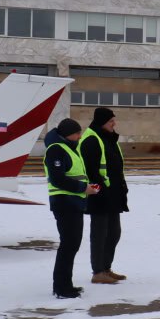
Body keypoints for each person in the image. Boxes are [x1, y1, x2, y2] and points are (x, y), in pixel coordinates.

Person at [44, 118, 100, 299]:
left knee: (72, 244)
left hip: (74, 202)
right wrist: (83, 188)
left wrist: (86, 187)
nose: (80, 136)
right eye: (77, 133)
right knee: (68, 245)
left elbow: (74, 175)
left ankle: (66, 285)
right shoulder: (56, 149)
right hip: (64, 203)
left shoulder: (69, 148)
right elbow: (57, 179)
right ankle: (61, 288)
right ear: (68, 134)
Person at [79, 107, 128, 284]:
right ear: (102, 122)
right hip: (100, 195)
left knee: (114, 233)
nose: (114, 123)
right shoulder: (91, 140)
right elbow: (90, 171)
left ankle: (106, 268)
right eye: (110, 121)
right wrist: (99, 190)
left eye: (113, 120)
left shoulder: (108, 139)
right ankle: (98, 271)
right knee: (100, 234)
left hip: (113, 195)